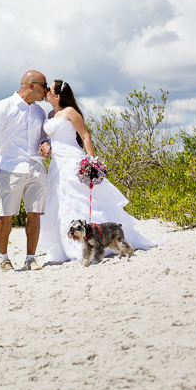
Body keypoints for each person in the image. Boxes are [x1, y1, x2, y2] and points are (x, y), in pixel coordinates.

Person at [39, 80, 158, 263]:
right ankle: (70, 246)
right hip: (57, 164)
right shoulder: (50, 113)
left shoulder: (70, 112)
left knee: (80, 200)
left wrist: (91, 162)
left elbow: (85, 136)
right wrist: (46, 146)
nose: (45, 91)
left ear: (57, 95)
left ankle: (101, 240)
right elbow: (53, 139)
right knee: (61, 203)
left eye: (49, 89)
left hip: (73, 160)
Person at [0, 70, 51, 272]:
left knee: (34, 213)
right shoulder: (2, 106)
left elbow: (43, 136)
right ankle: (3, 258)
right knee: (5, 214)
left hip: (35, 166)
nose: (47, 90)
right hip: (9, 167)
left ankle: (30, 258)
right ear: (32, 85)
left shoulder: (39, 112)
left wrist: (45, 144)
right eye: (45, 85)